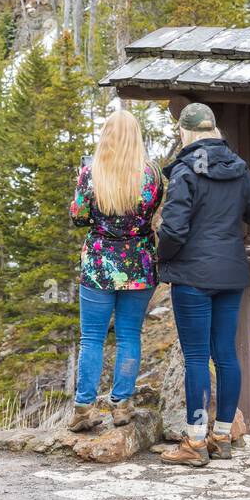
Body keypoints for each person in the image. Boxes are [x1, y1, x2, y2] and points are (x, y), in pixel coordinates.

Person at [156, 103, 250, 467]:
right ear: (215, 130)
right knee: (225, 355)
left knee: (195, 358)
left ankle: (194, 440)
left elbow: (173, 228)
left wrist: (163, 258)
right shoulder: (237, 168)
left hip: (192, 275)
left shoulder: (186, 171)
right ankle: (221, 436)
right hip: (230, 273)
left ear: (185, 132)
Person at [68, 108, 163, 432]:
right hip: (139, 265)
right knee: (128, 336)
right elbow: (153, 211)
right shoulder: (151, 176)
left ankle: (84, 407)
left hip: (98, 265)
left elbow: (78, 216)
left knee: (92, 337)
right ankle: (121, 404)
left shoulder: (90, 174)